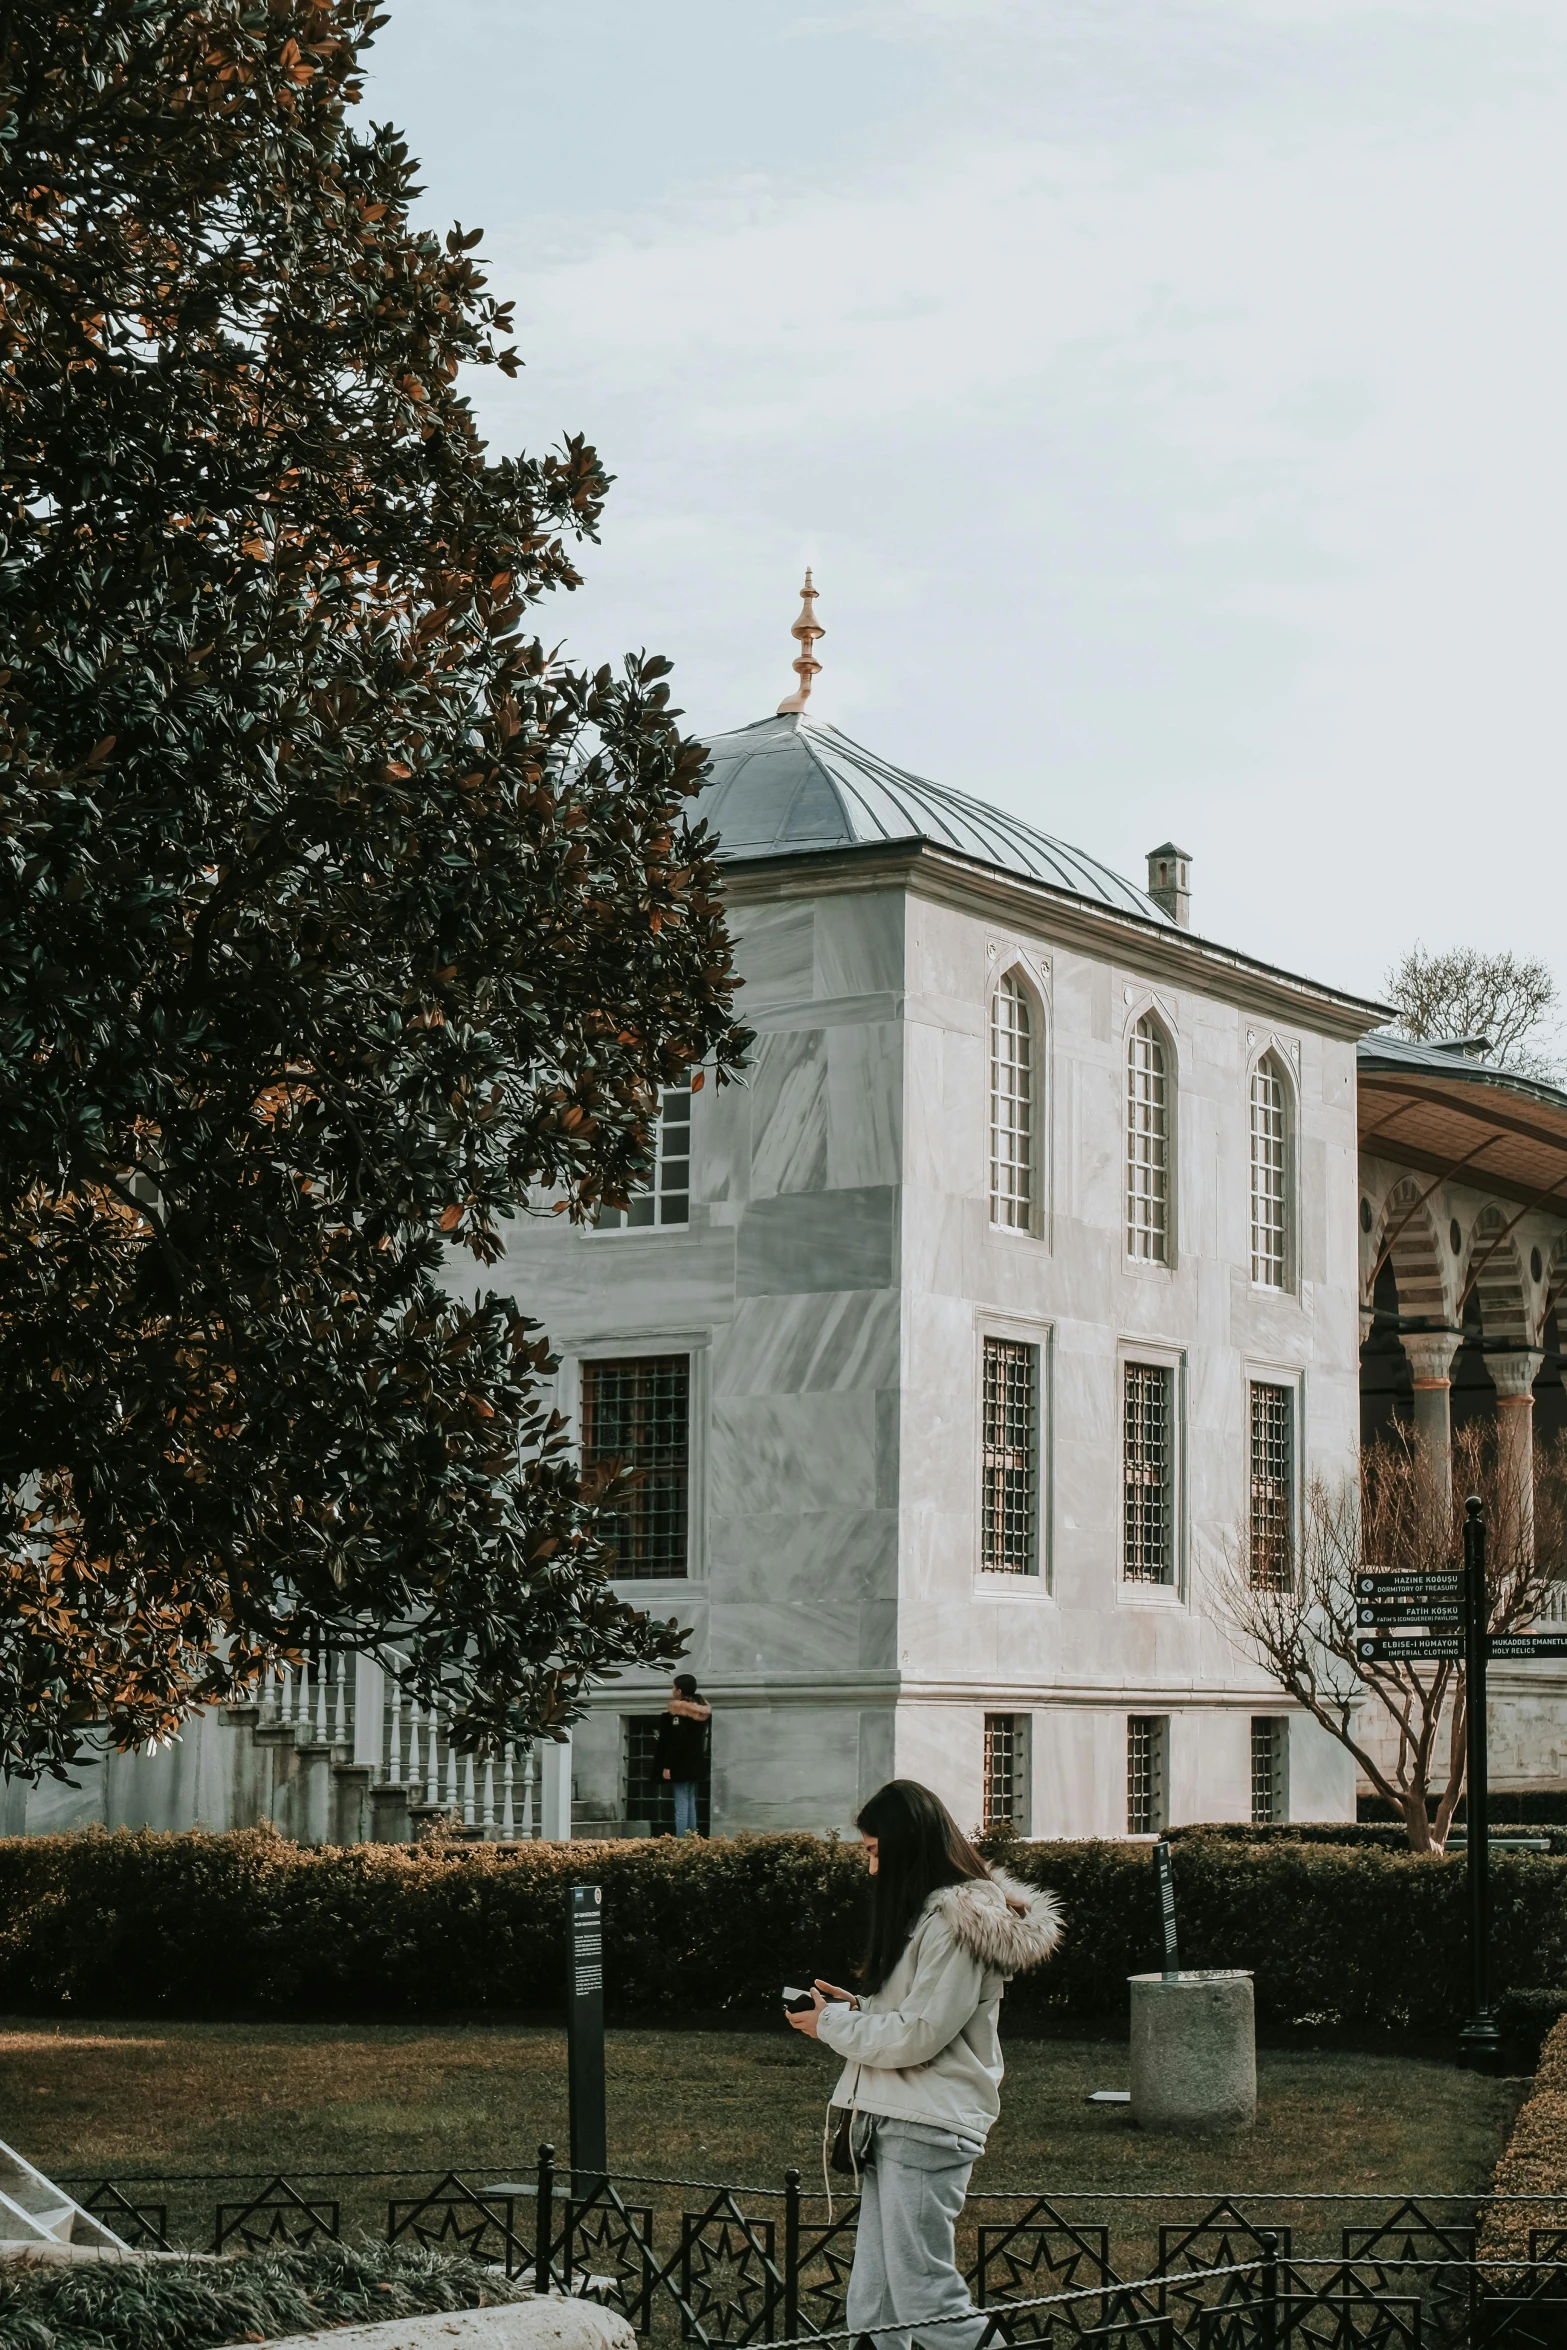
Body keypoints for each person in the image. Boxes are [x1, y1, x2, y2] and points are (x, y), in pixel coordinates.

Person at [786, 1779, 1062, 2350]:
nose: (869, 1867)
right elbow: (918, 2013)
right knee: (877, 2297)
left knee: (922, 2298)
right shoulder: (936, 1918)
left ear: (905, 1845)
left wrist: (831, 2025)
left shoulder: (957, 1923)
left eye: (872, 1850)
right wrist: (858, 2009)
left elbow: (921, 2035)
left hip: (926, 2123)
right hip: (900, 2118)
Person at [654, 1673, 710, 1837]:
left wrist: (667, 1765)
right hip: (695, 1762)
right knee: (690, 1801)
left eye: (673, 1687)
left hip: (680, 1763)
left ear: (679, 1691)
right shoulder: (701, 1712)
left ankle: (681, 1841)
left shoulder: (679, 1714)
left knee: (681, 1803)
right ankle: (692, 1838)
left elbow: (676, 1742)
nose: (672, 1690)